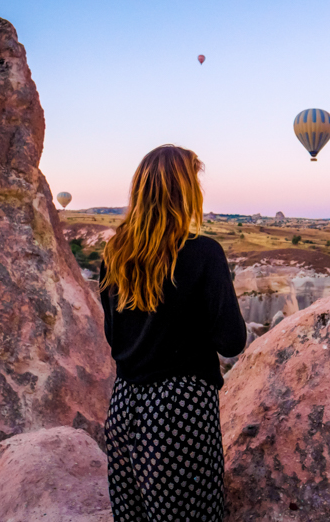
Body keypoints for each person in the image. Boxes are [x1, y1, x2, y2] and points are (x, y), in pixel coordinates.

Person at [99, 145, 247, 521]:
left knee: (132, 515)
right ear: (185, 191)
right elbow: (232, 341)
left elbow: (114, 336)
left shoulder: (115, 253)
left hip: (124, 405)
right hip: (180, 408)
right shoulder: (204, 253)